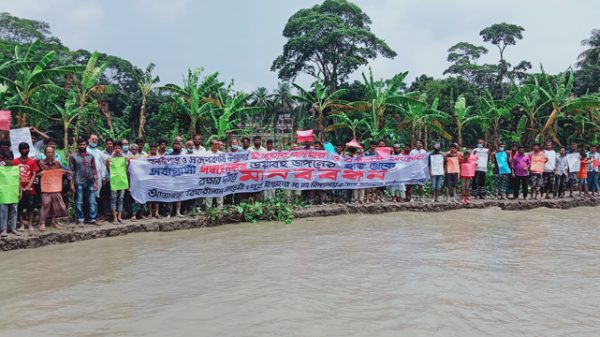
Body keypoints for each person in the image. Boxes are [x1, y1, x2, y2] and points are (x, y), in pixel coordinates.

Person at [70, 137, 100, 226]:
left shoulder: (90, 156)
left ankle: (92, 218)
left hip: (90, 180)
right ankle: (80, 219)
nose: (82, 146)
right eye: (80, 145)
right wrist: (71, 183)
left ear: (86, 145)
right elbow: (71, 171)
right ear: (78, 145)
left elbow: (94, 170)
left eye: (83, 144)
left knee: (92, 201)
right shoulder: (73, 156)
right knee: (79, 201)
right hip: (78, 181)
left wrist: (95, 182)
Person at [38, 146, 68, 230]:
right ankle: (42, 223)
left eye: (51, 152)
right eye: (48, 152)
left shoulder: (57, 163)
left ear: (54, 153)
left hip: (55, 187)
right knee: (45, 204)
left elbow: (63, 171)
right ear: (44, 153)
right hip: (45, 187)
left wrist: (65, 172)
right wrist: (40, 173)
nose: (50, 154)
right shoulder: (40, 163)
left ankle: (53, 222)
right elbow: (35, 174)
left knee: (55, 204)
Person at [15, 142, 39, 231]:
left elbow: (34, 174)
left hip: (30, 189)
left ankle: (30, 225)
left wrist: (29, 185)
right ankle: (21, 225)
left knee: (30, 207)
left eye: (27, 148)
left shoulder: (32, 161)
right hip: (18, 189)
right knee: (19, 207)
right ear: (20, 150)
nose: (25, 150)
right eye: (23, 149)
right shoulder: (15, 161)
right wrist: (19, 187)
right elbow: (14, 176)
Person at [0, 139, 21, 237]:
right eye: (6, 159)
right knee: (3, 211)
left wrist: (20, 191)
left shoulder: (16, 168)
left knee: (14, 210)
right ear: (3, 159)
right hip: (3, 193)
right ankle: (3, 229)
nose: (8, 161)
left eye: (10, 159)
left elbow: (19, 180)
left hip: (13, 193)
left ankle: (13, 228)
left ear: (13, 159)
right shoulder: (0, 168)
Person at [107, 142, 128, 224]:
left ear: (121, 149)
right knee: (113, 198)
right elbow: (108, 168)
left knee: (121, 198)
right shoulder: (110, 158)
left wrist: (128, 162)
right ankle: (114, 217)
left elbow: (126, 169)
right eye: (115, 148)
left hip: (122, 180)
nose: (117, 149)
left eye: (119, 148)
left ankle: (119, 216)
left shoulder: (124, 158)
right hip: (114, 181)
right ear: (113, 149)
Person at [204, 140, 224, 210]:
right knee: (209, 195)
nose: (217, 145)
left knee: (220, 195)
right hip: (209, 178)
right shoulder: (206, 154)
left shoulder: (221, 154)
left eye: (217, 144)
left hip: (219, 178)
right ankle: (208, 211)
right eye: (215, 144)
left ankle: (220, 211)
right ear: (211, 145)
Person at [167, 141, 184, 217]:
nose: (176, 146)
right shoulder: (168, 156)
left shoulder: (183, 156)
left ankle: (178, 212)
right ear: (173, 146)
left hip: (180, 178)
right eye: (175, 145)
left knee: (179, 195)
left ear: (180, 146)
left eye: (178, 145)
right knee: (170, 196)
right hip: (171, 178)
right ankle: (169, 213)